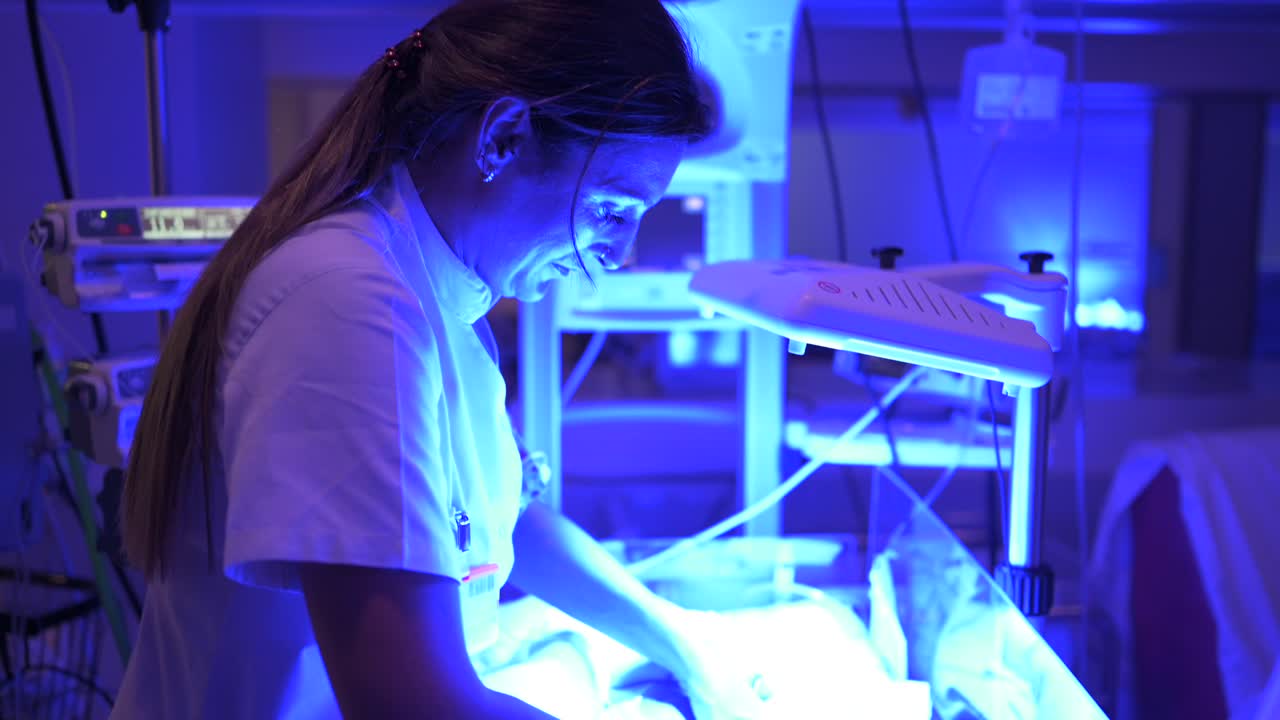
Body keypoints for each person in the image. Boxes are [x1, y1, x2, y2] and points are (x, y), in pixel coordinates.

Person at [111, 1, 771, 718]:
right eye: (612, 210)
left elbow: (498, 519)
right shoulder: (346, 303)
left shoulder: (436, 299)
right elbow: (412, 702)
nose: (618, 258)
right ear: (504, 137)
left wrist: (683, 641)